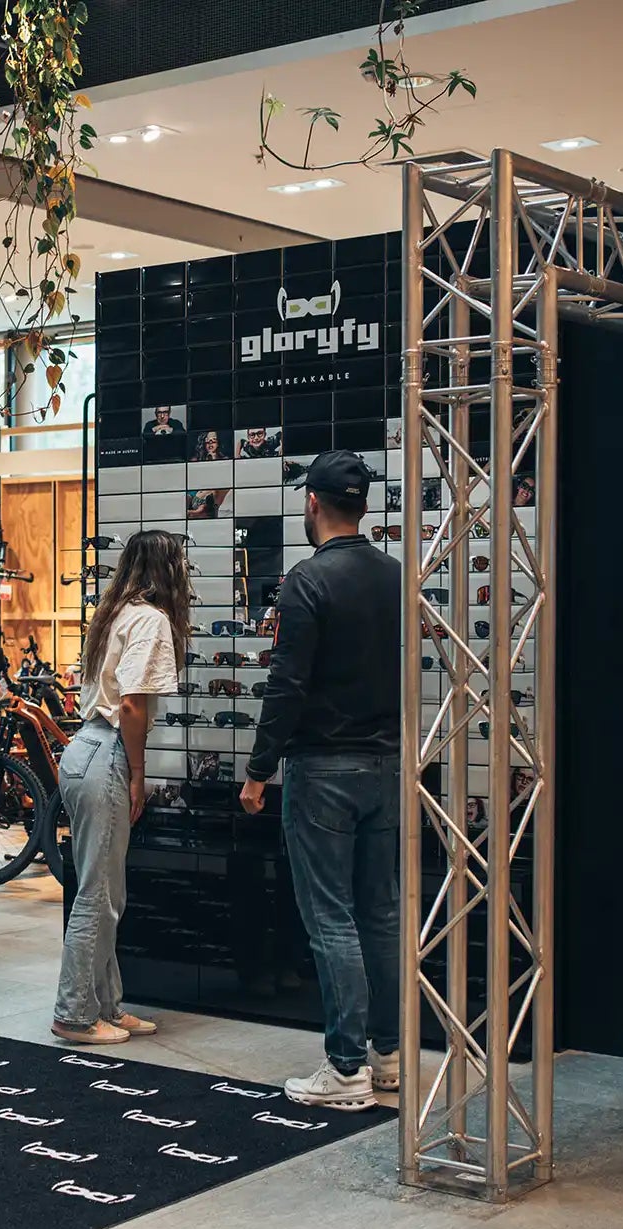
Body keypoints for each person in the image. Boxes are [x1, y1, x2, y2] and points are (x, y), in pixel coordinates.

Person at [238, 452, 403, 1109]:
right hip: (386, 766)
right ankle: (388, 1055)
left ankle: (346, 1068)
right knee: (381, 915)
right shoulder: (395, 575)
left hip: (323, 770)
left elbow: (287, 685)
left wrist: (258, 770)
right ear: (362, 504)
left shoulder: (306, 581)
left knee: (331, 918)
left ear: (312, 502)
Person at [53, 529, 191, 1045]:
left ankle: (106, 1005)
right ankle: (74, 1014)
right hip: (107, 752)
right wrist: (137, 772)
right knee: (98, 895)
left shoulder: (113, 613)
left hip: (82, 749)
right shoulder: (151, 619)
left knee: (106, 891)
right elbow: (131, 705)